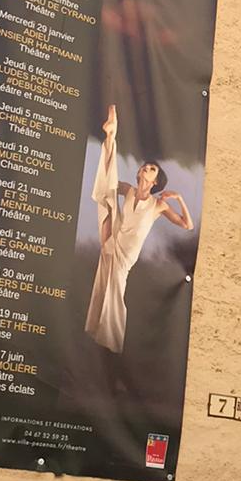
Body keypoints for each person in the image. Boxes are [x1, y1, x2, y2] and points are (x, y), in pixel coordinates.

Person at [84, 104, 193, 353]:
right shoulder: (129, 190)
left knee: (115, 290)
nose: (147, 168)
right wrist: (110, 142)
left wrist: (178, 198)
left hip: (126, 255)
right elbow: (109, 182)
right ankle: (111, 135)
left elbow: (188, 225)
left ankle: (111, 342)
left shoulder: (158, 205)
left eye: (152, 169)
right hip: (112, 239)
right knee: (108, 192)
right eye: (146, 166)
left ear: (155, 181)